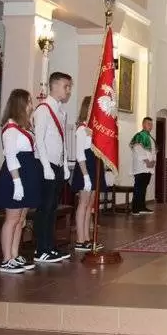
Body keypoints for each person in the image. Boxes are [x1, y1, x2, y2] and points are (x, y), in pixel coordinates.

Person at [0, 89, 41, 273]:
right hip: (15, 177)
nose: (31, 105)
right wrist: (17, 182)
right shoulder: (10, 128)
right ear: (20, 104)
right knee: (12, 218)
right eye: (29, 102)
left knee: (21, 218)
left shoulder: (23, 127)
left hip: (26, 175)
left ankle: (14, 255)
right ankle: (6, 259)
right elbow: (11, 156)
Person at [33, 71, 73, 263]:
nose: (68, 90)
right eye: (66, 86)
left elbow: (62, 141)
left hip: (56, 164)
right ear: (54, 86)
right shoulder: (43, 109)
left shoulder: (60, 111)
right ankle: (41, 249)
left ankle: (50, 246)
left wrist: (64, 164)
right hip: (45, 163)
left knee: (52, 207)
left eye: (69, 87)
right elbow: (39, 140)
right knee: (45, 207)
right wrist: (45, 166)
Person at [72, 96, 103, 252]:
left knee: (90, 204)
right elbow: (80, 155)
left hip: (93, 166)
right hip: (85, 168)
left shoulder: (92, 129)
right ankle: (80, 239)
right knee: (83, 203)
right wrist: (85, 176)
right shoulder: (81, 129)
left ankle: (87, 238)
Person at [130, 117, 157, 215]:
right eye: (148, 124)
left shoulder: (151, 138)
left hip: (148, 167)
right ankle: (135, 209)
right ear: (143, 124)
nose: (151, 126)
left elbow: (153, 151)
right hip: (141, 166)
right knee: (138, 187)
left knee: (144, 187)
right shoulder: (139, 135)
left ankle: (142, 207)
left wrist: (153, 161)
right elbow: (138, 149)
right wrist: (146, 161)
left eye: (151, 124)